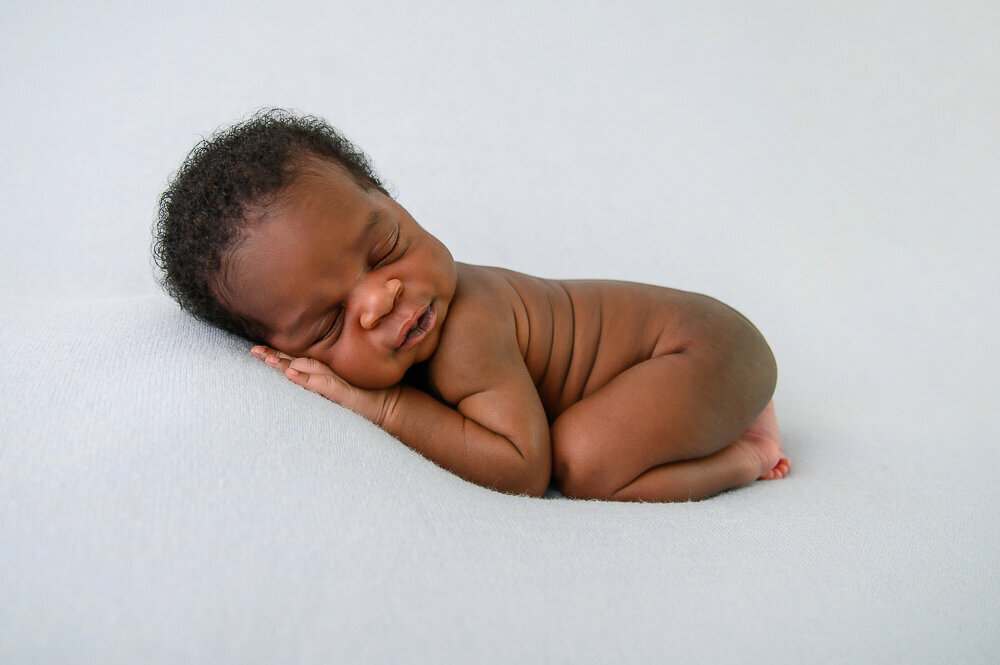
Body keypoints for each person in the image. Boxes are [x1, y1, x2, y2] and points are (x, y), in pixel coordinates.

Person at [153, 109, 789, 502]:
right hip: (689, 359)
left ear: (394, 202)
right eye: (328, 322)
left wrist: (383, 405)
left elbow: (523, 467)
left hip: (705, 349)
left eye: (384, 250)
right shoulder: (415, 318)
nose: (382, 299)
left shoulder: (465, 330)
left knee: (584, 464)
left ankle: (747, 452)